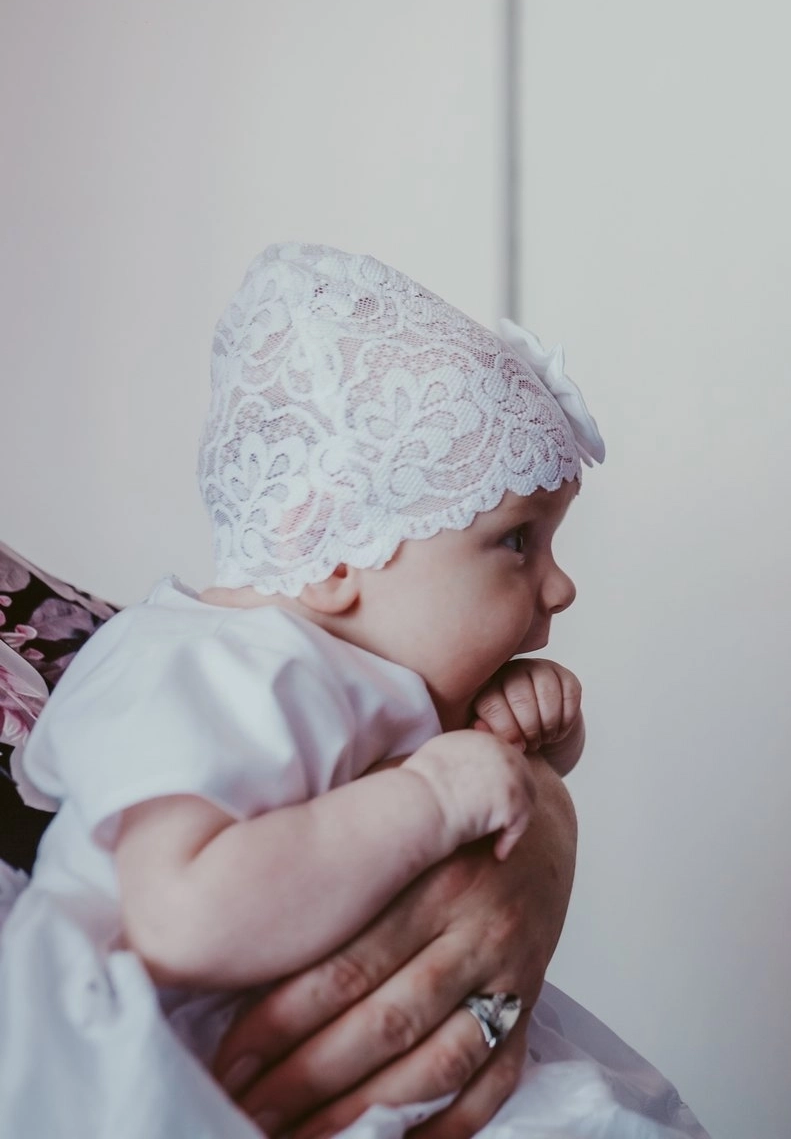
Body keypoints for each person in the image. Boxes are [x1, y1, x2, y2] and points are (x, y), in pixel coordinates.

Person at [0, 243, 707, 1139]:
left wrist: (528, 744)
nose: (561, 586)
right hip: (208, 1079)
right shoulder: (211, 668)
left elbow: (465, 812)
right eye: (517, 541)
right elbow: (180, 915)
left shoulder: (345, 668)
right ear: (334, 557)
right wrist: (432, 795)